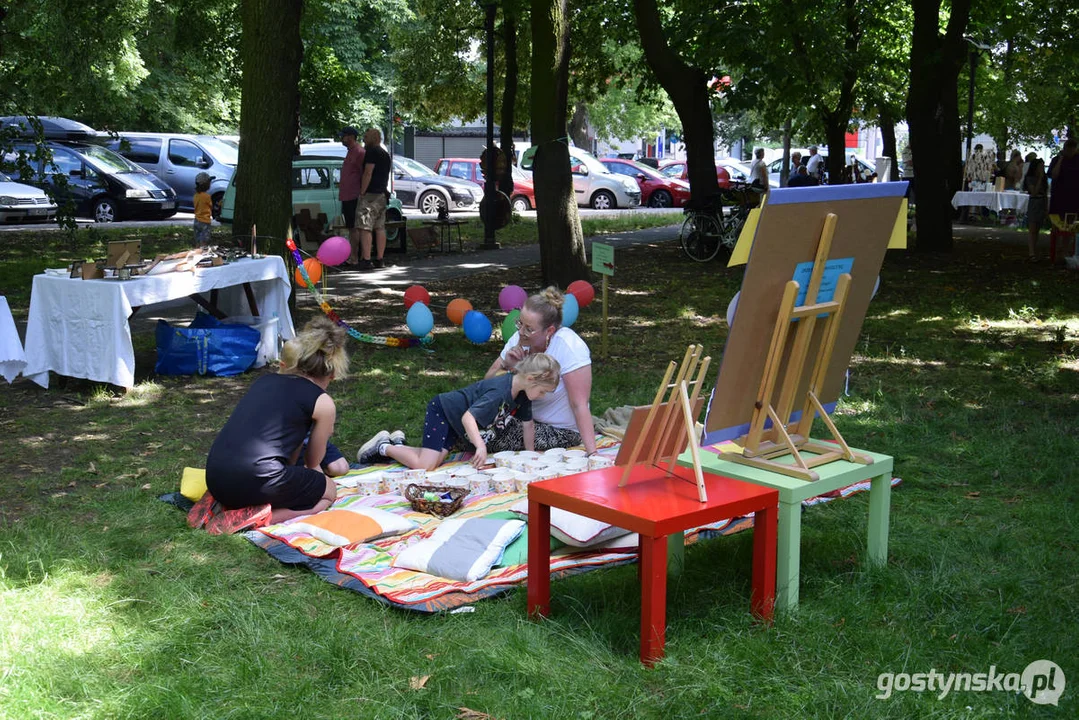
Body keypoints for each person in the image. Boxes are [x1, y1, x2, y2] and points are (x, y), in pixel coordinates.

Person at [198, 316, 349, 532]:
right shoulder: (322, 402)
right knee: (329, 492)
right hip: (259, 478)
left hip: (216, 479)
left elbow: (287, 448)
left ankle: (219, 506)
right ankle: (263, 516)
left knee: (280, 483)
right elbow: (313, 461)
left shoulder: (265, 381)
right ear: (332, 373)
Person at [358, 353, 561, 471]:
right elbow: (468, 417)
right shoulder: (500, 392)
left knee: (435, 460)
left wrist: (530, 454)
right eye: (543, 391)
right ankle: (383, 447)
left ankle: (398, 444)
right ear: (531, 379)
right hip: (444, 411)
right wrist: (480, 446)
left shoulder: (524, 394)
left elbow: (528, 425)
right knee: (426, 465)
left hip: (456, 424)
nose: (543, 396)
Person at [483, 287, 598, 455]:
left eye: (529, 329)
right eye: (519, 323)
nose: (521, 332)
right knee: (465, 416)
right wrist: (506, 366)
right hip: (523, 419)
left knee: (484, 436)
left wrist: (592, 454)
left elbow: (579, 404)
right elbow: (486, 386)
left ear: (549, 331)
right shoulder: (519, 339)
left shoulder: (570, 347)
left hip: (560, 430)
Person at [356, 127, 392, 270]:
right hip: (382, 194)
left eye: (365, 136)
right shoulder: (385, 154)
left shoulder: (371, 152)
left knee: (365, 227)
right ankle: (380, 258)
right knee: (380, 227)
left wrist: (362, 191)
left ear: (371, 138)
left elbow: (368, 173)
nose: (363, 139)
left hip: (370, 194)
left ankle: (366, 259)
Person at [338, 126, 365, 265]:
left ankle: (355, 257)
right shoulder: (350, 152)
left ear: (351, 137)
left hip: (354, 196)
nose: (341, 138)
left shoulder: (359, 152)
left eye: (344, 136)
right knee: (351, 227)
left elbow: (364, 173)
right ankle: (354, 256)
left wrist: (361, 192)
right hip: (347, 196)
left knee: (354, 227)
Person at [1023, 158, 1048, 261]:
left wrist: (1046, 208)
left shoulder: (1044, 179)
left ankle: (1034, 250)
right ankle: (1031, 252)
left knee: (1037, 229)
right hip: (1034, 202)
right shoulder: (1030, 178)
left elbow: (1045, 193)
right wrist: (1040, 179)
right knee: (1032, 228)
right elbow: (1034, 192)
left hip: (1042, 202)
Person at [193, 172, 212, 247]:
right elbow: (210, 206)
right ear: (206, 185)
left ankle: (197, 252)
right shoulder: (207, 196)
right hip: (205, 221)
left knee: (197, 239)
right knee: (204, 241)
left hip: (197, 220)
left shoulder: (196, 196)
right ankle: (203, 254)